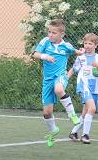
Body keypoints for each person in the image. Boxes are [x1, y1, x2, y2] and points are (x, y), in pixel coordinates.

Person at [31, 19, 83, 147]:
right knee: (47, 112)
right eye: (49, 32)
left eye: (54, 33)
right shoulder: (45, 41)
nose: (50, 34)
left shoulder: (66, 46)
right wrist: (46, 57)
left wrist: (82, 52)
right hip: (47, 80)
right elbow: (34, 54)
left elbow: (76, 52)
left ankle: (72, 115)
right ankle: (53, 130)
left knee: (59, 89)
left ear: (62, 34)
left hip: (60, 76)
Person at [67, 33, 98, 144]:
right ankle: (85, 135)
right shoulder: (81, 57)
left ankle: (73, 132)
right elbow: (73, 69)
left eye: (90, 43)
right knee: (92, 109)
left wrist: (97, 66)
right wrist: (65, 80)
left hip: (95, 88)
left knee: (86, 112)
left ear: (96, 45)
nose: (87, 46)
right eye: (85, 43)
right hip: (83, 85)